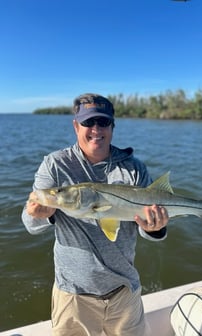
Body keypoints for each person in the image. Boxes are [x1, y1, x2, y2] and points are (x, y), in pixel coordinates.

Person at [22, 93, 169, 336]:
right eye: (88, 122)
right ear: (75, 125)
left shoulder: (134, 168)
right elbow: (29, 223)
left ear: (112, 125)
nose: (96, 130)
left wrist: (156, 228)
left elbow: (149, 229)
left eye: (103, 122)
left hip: (125, 291)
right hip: (74, 295)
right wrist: (42, 214)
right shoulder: (55, 165)